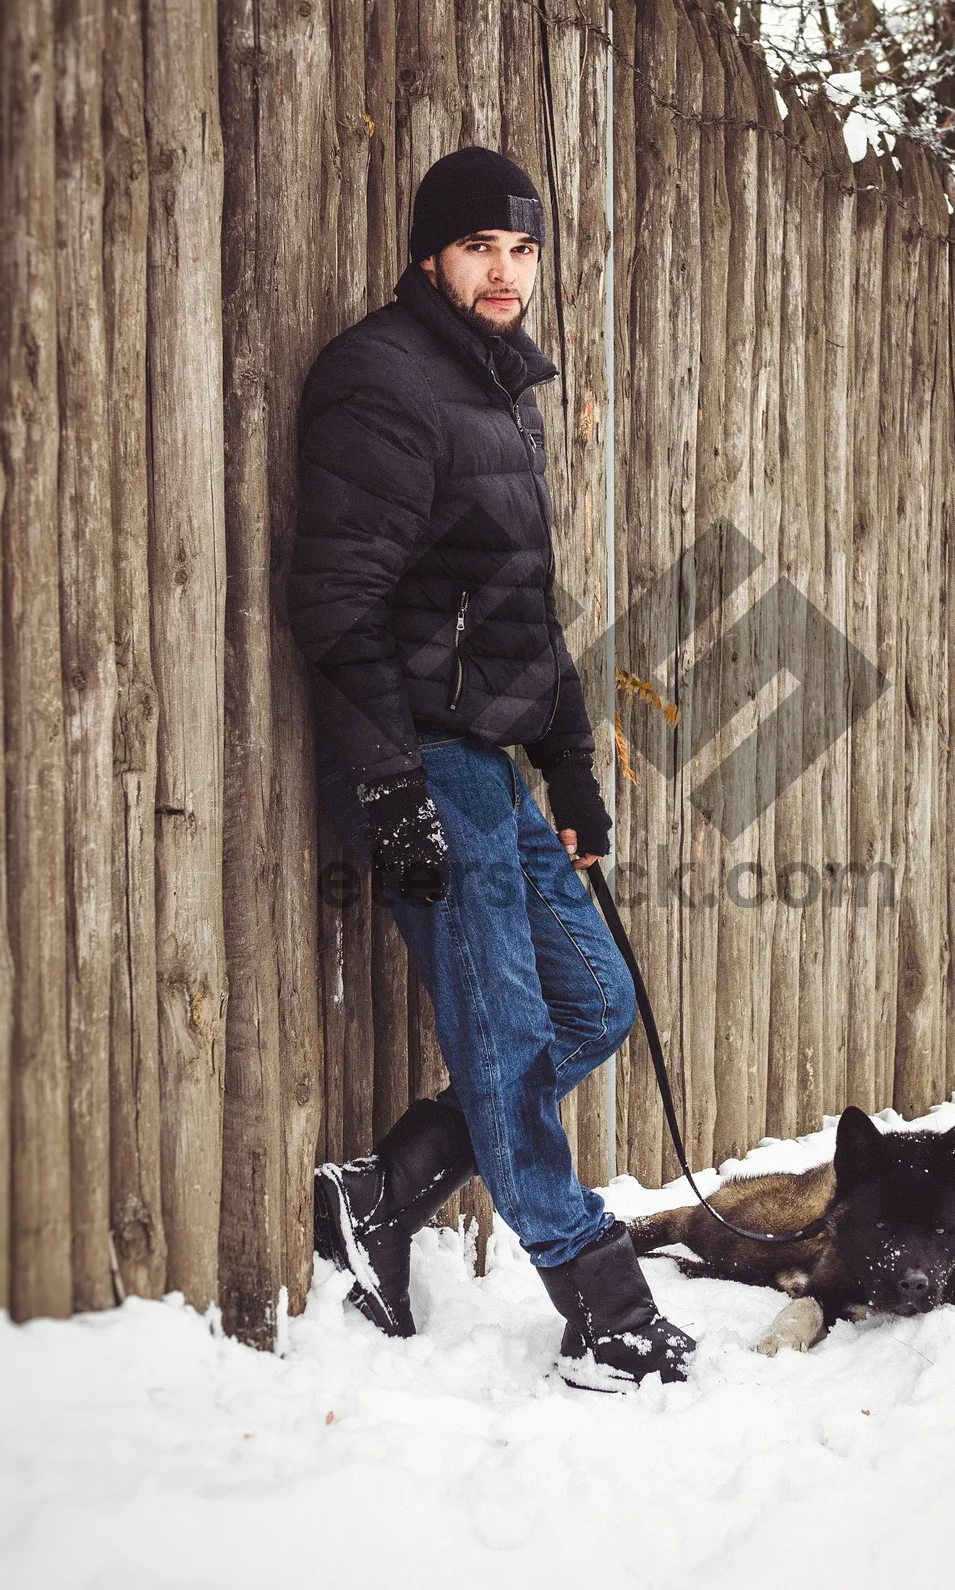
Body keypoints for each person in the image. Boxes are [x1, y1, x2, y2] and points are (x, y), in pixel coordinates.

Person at [287, 146, 695, 1389]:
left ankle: (384, 1186)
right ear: (430, 256)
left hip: (489, 765)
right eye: (481, 248)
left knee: (593, 1001)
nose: (507, 271)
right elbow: (337, 605)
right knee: (514, 1035)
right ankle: (600, 1303)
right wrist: (389, 788)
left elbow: (522, 612)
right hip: (422, 762)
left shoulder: (491, 390)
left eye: (523, 249)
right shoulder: (381, 383)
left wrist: (569, 773)